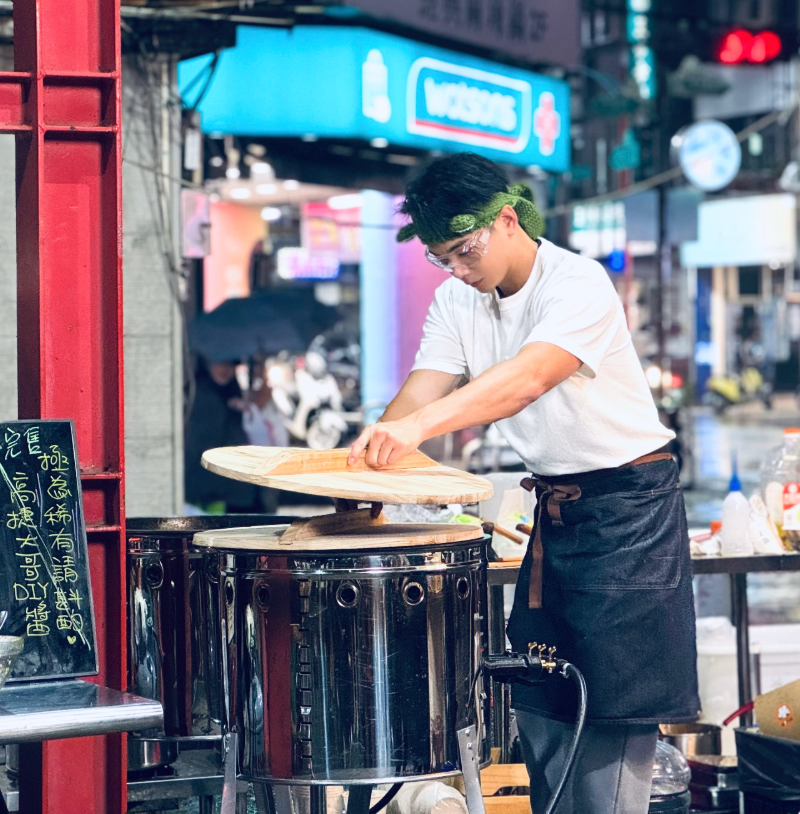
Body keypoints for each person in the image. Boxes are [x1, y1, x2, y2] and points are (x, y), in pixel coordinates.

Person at [348, 153, 699, 814]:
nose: (456, 269)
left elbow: (528, 378)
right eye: (441, 258)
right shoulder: (457, 298)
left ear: (506, 219)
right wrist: (360, 466)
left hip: (628, 516)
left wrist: (417, 428)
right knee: (539, 708)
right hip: (555, 517)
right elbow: (421, 390)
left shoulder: (577, 282)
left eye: (464, 249)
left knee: (607, 728)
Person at [184, 357, 267, 513]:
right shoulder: (201, 395)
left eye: (231, 364)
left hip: (226, 487)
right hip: (207, 485)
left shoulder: (231, 395)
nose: (226, 369)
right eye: (220, 362)